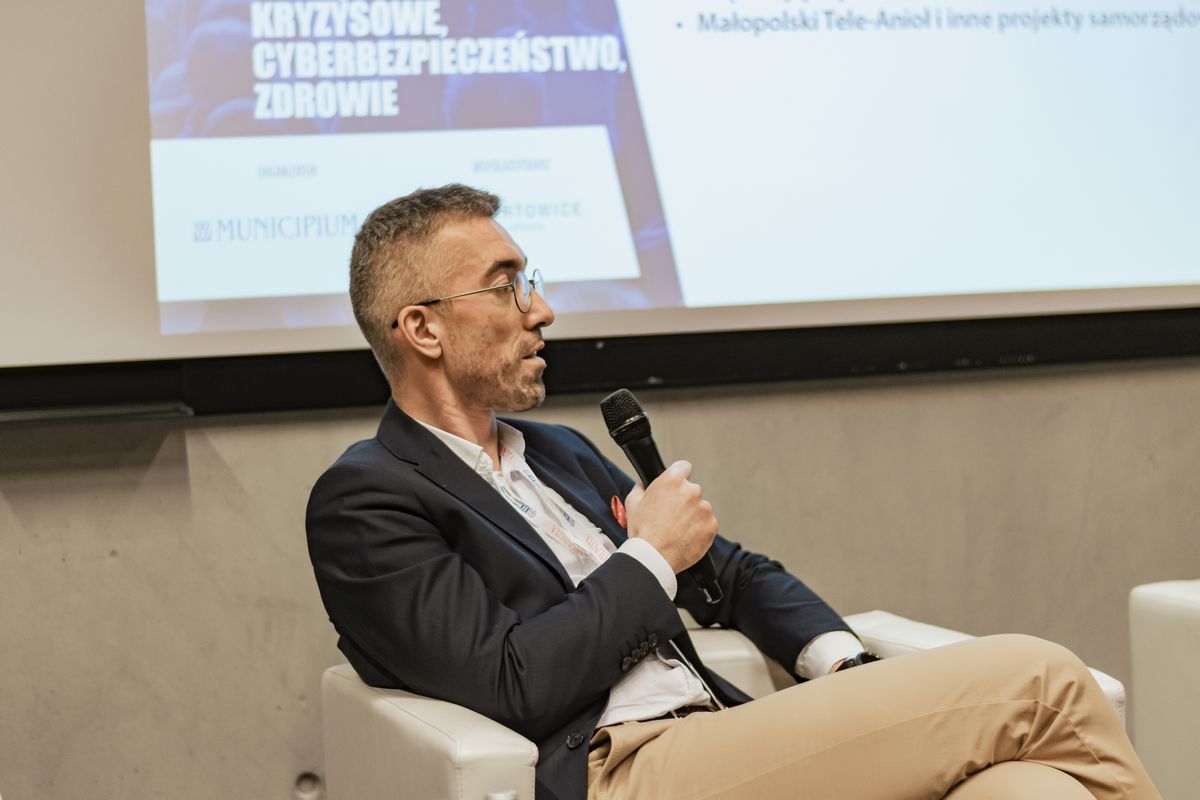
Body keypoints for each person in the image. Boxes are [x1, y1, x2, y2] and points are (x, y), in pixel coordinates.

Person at [306, 184, 1160, 800]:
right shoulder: (366, 499)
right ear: (421, 327)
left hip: (717, 732)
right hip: (616, 768)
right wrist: (649, 556)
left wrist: (842, 666)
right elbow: (509, 683)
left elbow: (734, 575)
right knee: (1040, 676)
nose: (542, 310)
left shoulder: (559, 453)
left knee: (1030, 789)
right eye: (506, 285)